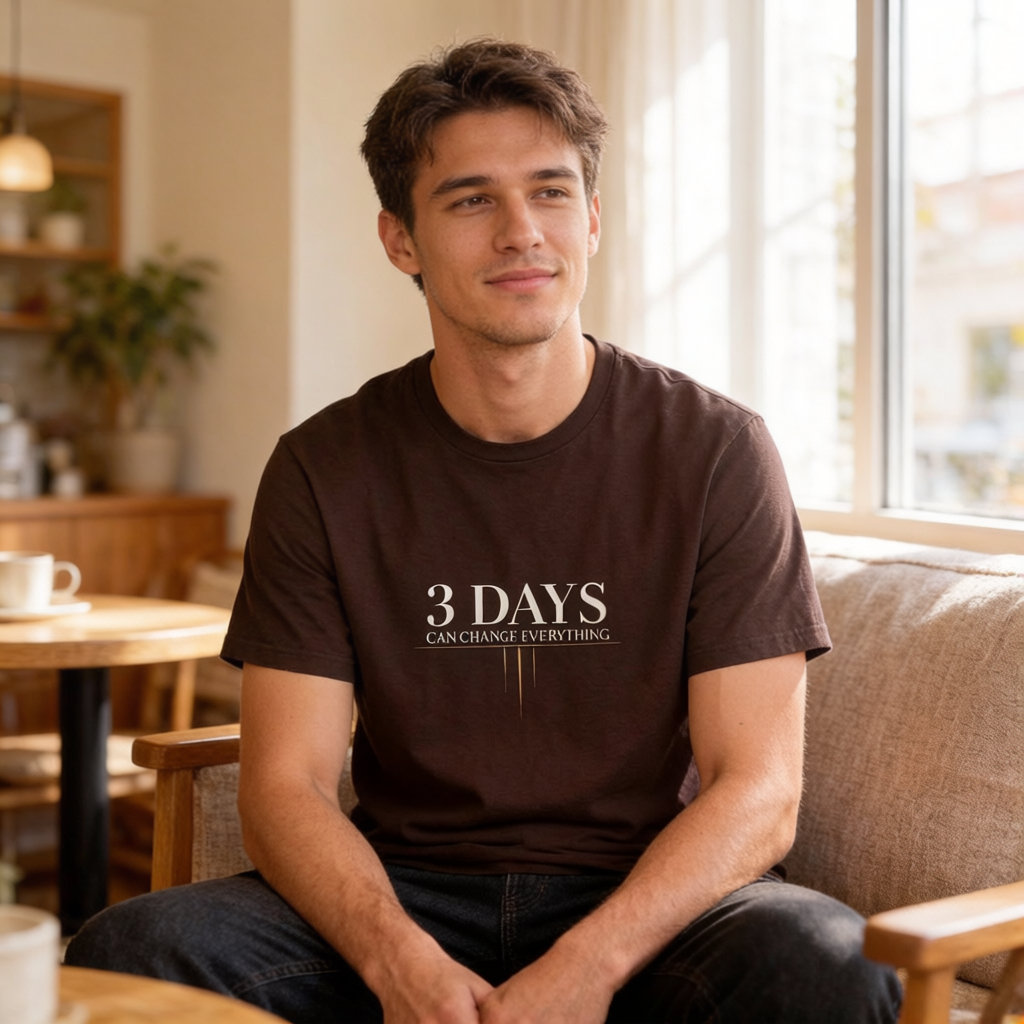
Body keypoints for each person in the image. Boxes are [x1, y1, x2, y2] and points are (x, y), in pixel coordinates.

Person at [66, 38, 901, 1024]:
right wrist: (397, 962)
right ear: (399, 240)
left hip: (648, 904)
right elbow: (284, 785)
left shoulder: (716, 451)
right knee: (130, 948)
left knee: (827, 961)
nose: (520, 231)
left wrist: (587, 966)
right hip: (408, 892)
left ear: (590, 219)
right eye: (470, 200)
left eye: (550, 192)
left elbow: (757, 788)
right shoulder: (322, 467)